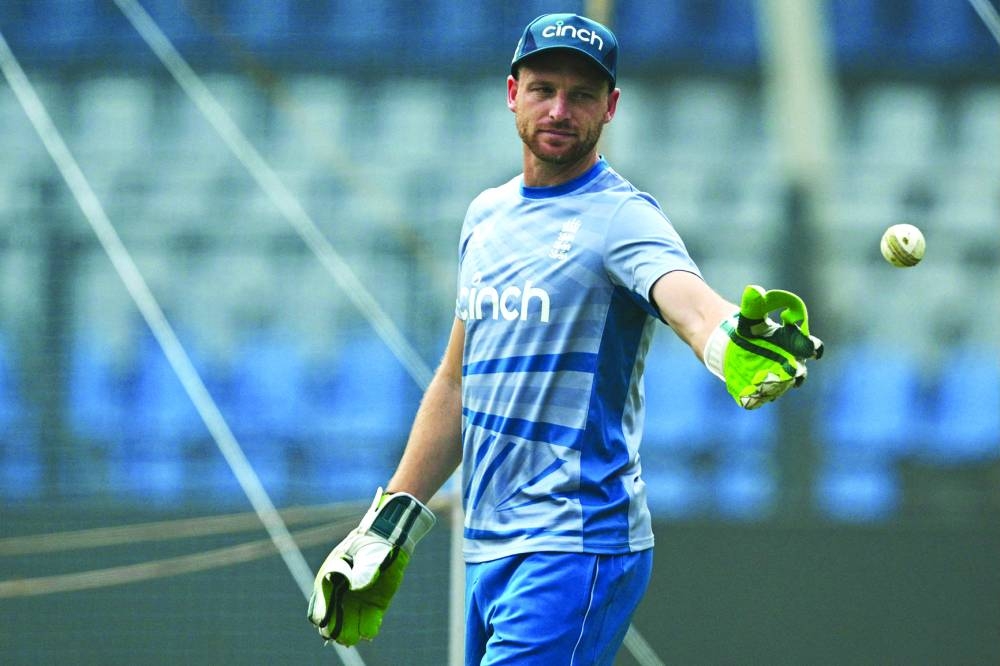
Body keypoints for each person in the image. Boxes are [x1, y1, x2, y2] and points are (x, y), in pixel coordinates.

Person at [308, 12, 823, 665]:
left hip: (574, 544)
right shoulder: (485, 216)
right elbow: (457, 382)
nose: (559, 109)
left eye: (581, 95)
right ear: (512, 93)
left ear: (610, 107)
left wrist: (727, 339)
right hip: (488, 548)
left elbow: (689, 303)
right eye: (543, 89)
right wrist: (389, 525)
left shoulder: (622, 217)